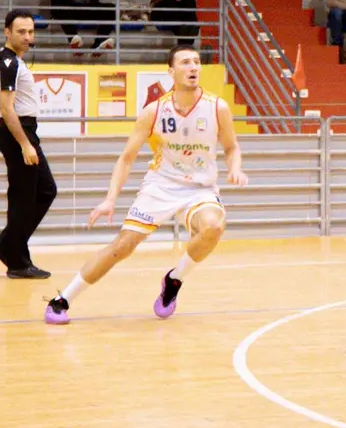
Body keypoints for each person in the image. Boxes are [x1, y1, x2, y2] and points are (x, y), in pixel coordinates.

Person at [44, 47, 246, 323]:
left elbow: (232, 147)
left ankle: (174, 280)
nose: (193, 67)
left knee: (213, 227)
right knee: (122, 247)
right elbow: (126, 158)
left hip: (200, 189)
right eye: (186, 62)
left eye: (197, 62)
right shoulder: (154, 111)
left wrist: (235, 168)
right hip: (161, 185)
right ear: (171, 71)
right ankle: (62, 300)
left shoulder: (217, 107)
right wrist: (110, 199)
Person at [0, 11, 56, 279]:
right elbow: (7, 109)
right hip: (18, 132)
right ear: (7, 32)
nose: (28, 36)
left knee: (40, 192)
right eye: (21, 32)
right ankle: (14, 255)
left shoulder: (15, 61)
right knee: (27, 198)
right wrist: (25, 145)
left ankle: (12, 248)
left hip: (25, 131)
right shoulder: (8, 62)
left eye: (30, 31)